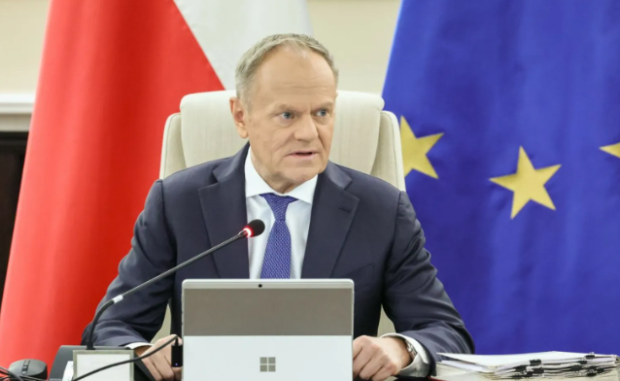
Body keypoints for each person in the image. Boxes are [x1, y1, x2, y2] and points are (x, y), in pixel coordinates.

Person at [82, 33, 473, 381]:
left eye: (322, 113)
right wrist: (142, 353)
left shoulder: (382, 210)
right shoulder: (178, 203)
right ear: (241, 117)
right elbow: (111, 326)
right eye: (287, 115)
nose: (308, 133)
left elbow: (445, 332)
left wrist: (400, 349)